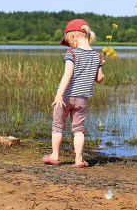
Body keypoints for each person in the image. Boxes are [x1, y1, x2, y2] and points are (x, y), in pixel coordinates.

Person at [41, 19, 104, 168]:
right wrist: (101, 65)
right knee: (78, 129)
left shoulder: (71, 53)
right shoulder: (98, 56)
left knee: (57, 126)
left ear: (74, 37)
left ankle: (55, 155)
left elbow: (67, 75)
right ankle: (78, 159)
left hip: (65, 96)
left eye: (68, 41)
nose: (69, 45)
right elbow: (99, 79)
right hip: (82, 99)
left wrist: (59, 95)